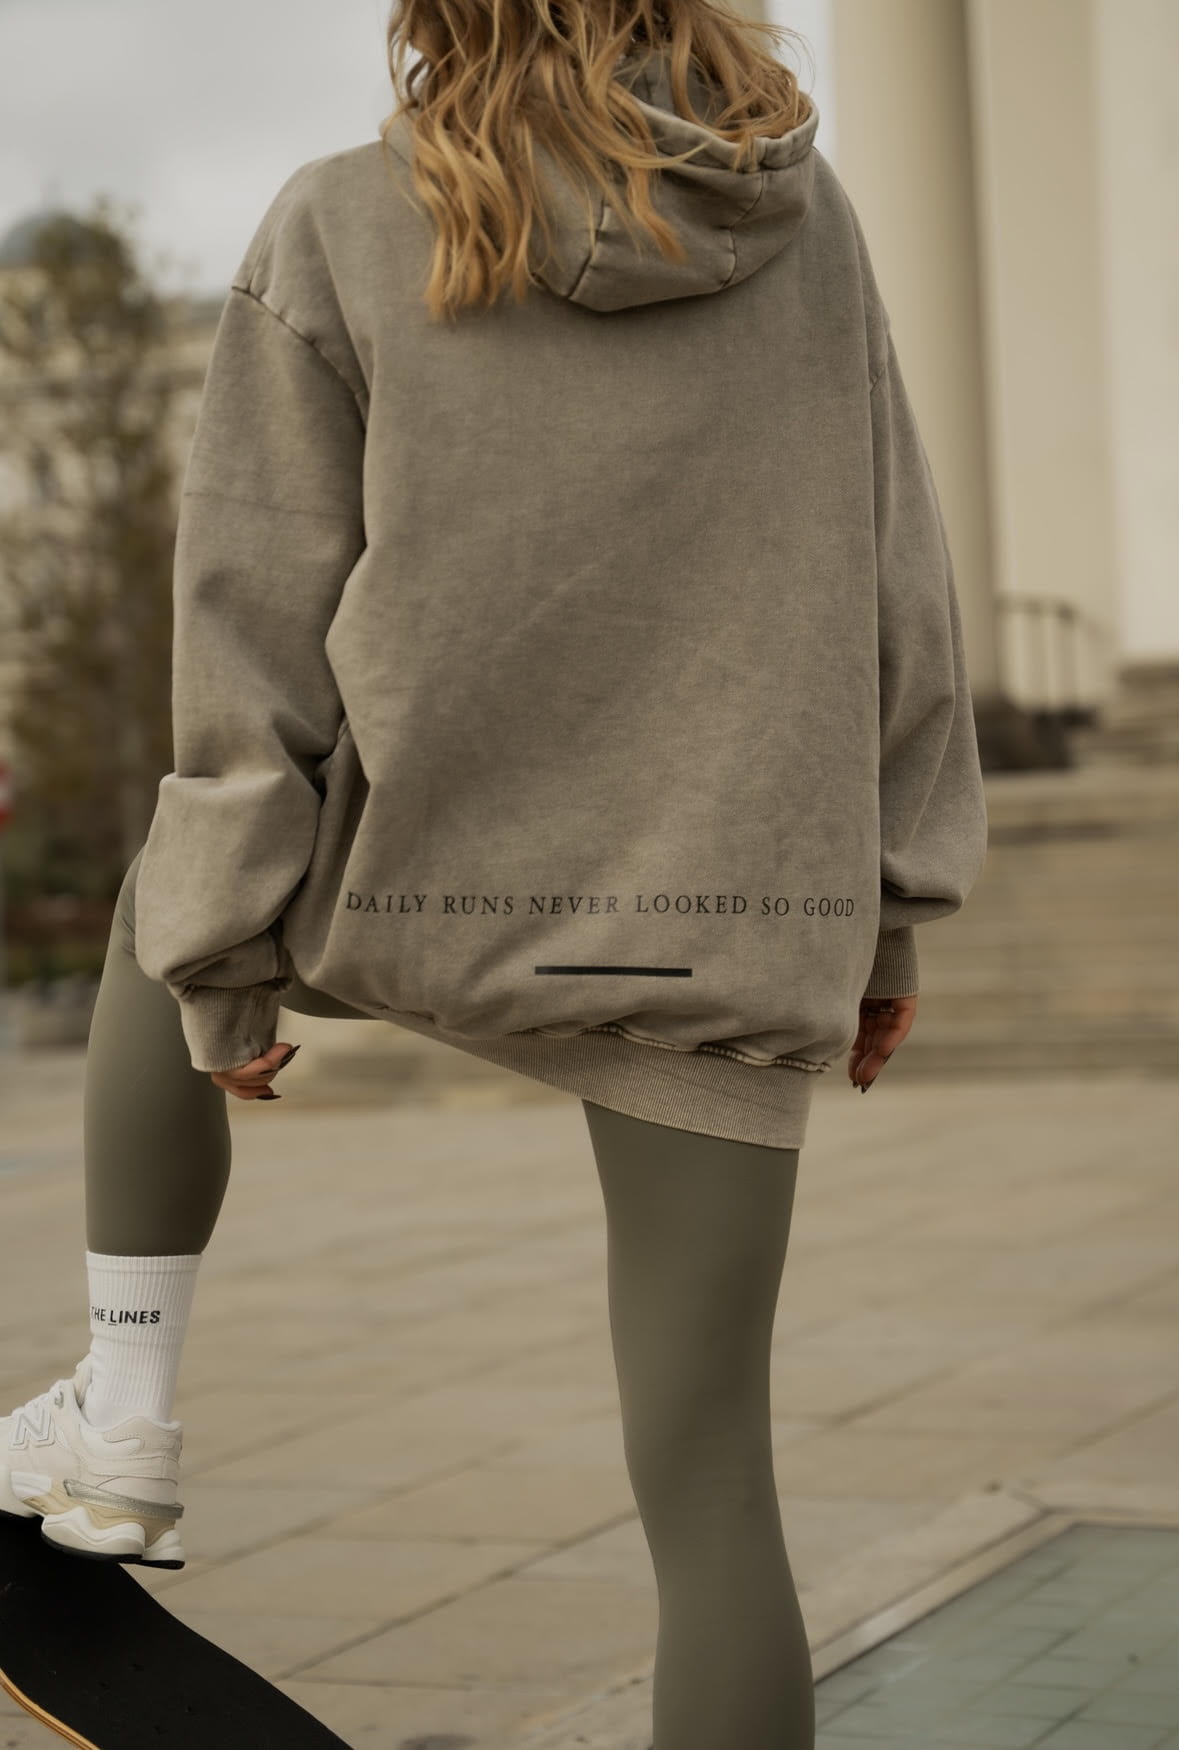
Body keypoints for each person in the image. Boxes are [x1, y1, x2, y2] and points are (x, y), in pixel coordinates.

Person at [0, 1, 988, 1744]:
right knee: (715, 1494)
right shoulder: (806, 220)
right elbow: (897, 571)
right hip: (729, 906)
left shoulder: (343, 218)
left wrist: (220, 956)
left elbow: (251, 624)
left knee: (170, 888)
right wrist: (890, 908)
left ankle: (126, 1408)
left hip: (426, 872)